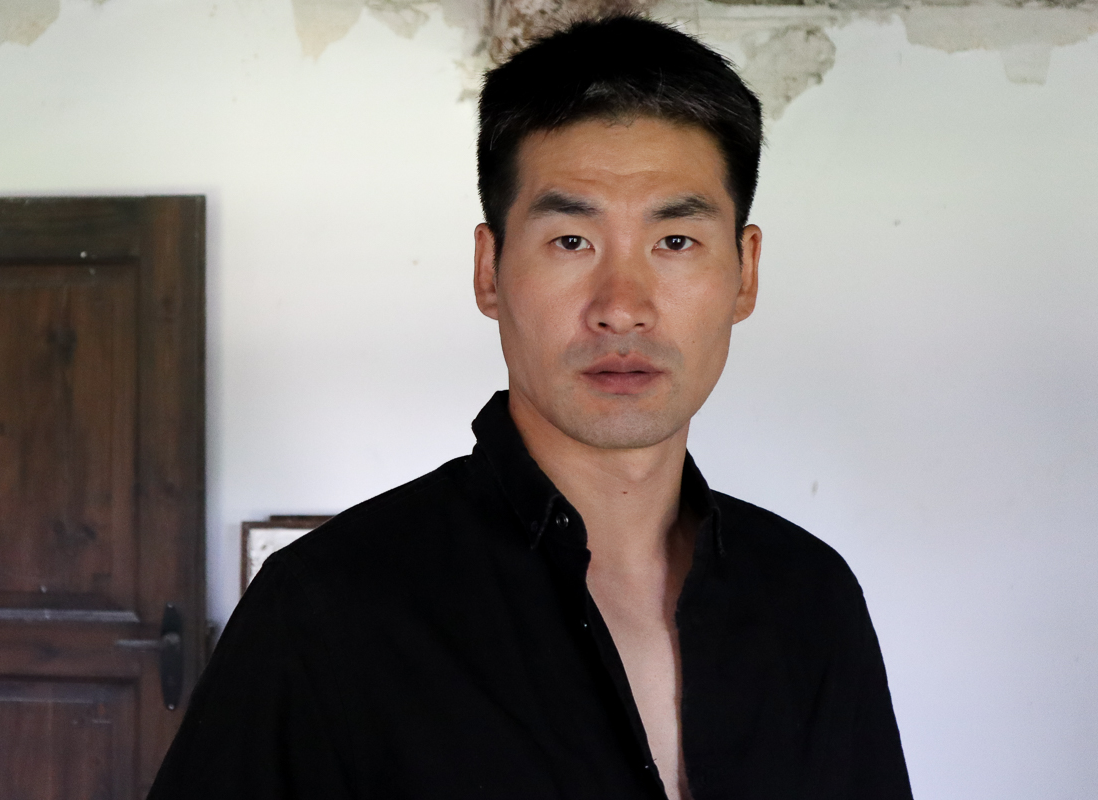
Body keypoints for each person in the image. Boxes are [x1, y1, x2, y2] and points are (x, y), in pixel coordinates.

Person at [148, 15, 912, 800]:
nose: (622, 308)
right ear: (490, 270)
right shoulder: (324, 611)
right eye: (572, 241)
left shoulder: (809, 599)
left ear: (745, 274)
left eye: (676, 241)